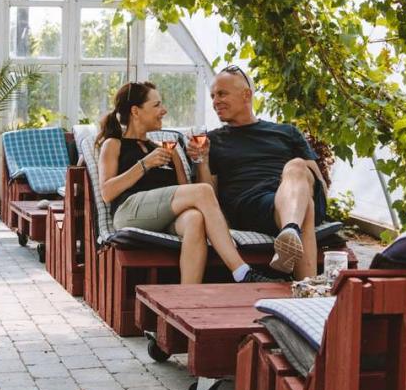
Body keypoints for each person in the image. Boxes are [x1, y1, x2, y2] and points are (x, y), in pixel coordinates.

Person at [96, 81, 283, 284]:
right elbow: (107, 192)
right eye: (157, 105)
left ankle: (187, 296)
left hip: (162, 217)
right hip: (128, 212)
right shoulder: (113, 144)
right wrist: (145, 164)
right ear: (136, 111)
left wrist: (201, 158)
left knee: (195, 218)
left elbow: (186, 192)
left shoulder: (168, 149)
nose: (164, 110)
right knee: (201, 191)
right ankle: (242, 271)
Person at [197, 66, 327, 277]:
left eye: (222, 93)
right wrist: (202, 159)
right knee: (306, 206)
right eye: (212, 96)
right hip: (251, 204)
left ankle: (289, 233)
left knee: (296, 167)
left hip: (292, 192)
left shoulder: (287, 132)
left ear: (246, 94)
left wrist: (297, 184)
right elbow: (208, 192)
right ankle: (293, 238)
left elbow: (316, 178)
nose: (215, 102)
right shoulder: (212, 140)